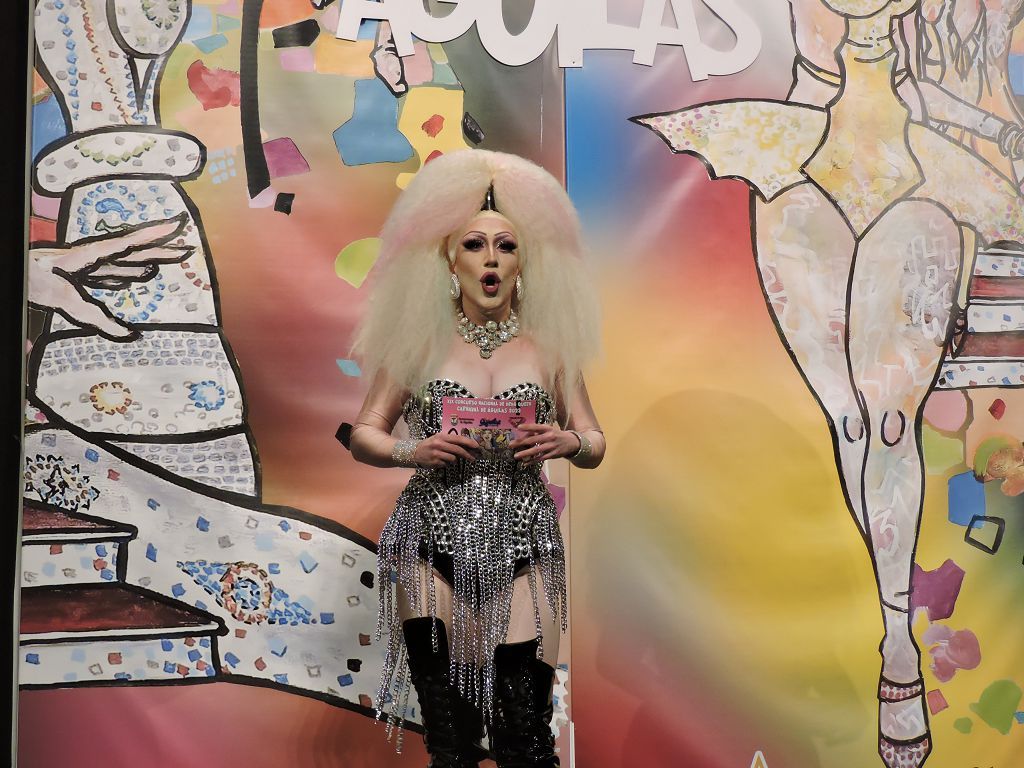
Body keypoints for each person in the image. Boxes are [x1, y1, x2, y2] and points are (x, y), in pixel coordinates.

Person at [635, 1, 1024, 766]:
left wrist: (996, 133)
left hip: (910, 164)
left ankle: (897, 641)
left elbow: (915, 88)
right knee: (848, 421)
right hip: (798, 157)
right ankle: (891, 621)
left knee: (890, 423)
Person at [349, 150, 604, 767]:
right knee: (452, 738)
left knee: (525, 733)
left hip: (524, 541)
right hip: (429, 541)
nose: (490, 257)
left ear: (523, 265)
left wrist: (568, 442)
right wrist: (415, 449)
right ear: (449, 259)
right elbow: (366, 434)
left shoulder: (550, 350)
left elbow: (594, 441)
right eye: (474, 244)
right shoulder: (418, 344)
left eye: (506, 246)